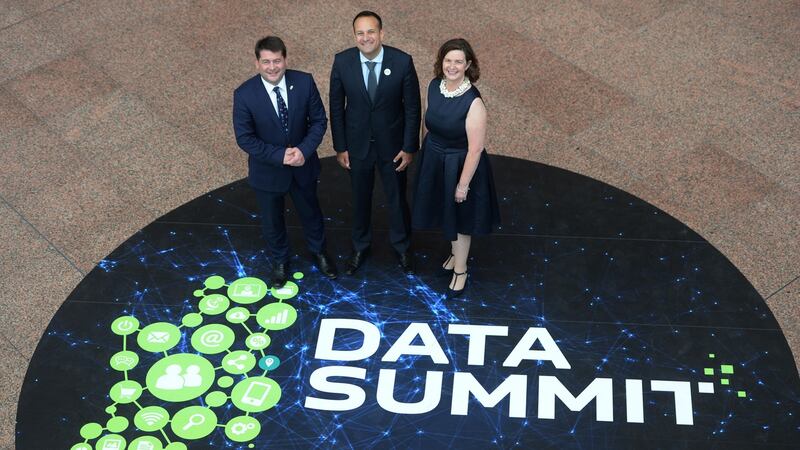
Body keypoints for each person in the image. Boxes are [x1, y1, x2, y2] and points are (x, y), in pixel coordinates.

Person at [233, 36, 337, 287]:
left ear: (285, 60)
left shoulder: (304, 82)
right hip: (267, 173)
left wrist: (303, 150)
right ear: (257, 63)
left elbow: (319, 121)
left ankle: (319, 252)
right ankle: (280, 261)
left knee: (311, 213)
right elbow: (245, 138)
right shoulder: (244, 94)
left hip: (303, 166)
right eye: (266, 62)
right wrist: (280, 155)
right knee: (272, 220)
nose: (272, 67)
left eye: (277, 61)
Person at [329, 10, 421, 275]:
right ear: (354, 36)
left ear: (381, 33)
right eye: (360, 33)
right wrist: (340, 146)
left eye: (371, 31)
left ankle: (402, 247)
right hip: (357, 146)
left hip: (393, 147)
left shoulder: (402, 62)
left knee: (397, 198)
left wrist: (409, 147)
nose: (366, 37)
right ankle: (360, 246)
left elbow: (412, 108)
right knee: (360, 198)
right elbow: (336, 107)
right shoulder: (342, 62)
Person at [412, 38, 500, 298]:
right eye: (448, 60)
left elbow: (475, 149)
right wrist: (425, 155)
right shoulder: (433, 86)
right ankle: (454, 255)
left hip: (460, 165)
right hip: (435, 158)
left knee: (460, 220)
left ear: (468, 64)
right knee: (445, 212)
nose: (452, 66)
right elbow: (427, 123)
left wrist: (463, 185)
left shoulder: (473, 102)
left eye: (458, 61)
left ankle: (461, 270)